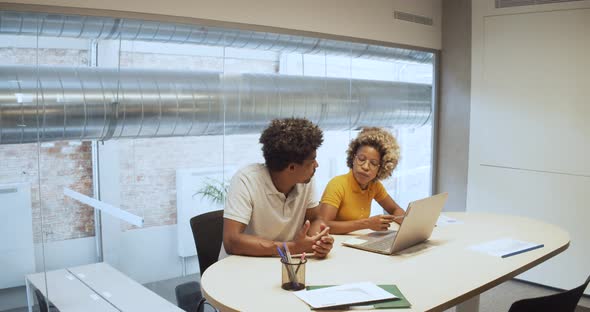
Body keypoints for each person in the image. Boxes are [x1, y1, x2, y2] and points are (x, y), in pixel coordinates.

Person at [223, 118, 334, 258]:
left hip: (285, 263)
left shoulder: (305, 179)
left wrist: (316, 241)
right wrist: (293, 248)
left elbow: (315, 219)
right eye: (312, 161)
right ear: (291, 167)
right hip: (242, 267)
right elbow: (231, 241)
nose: (316, 165)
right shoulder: (246, 180)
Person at [316, 127, 406, 234]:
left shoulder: (374, 186)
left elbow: (395, 210)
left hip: (355, 243)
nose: (365, 167)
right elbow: (323, 225)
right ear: (353, 158)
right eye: (361, 159)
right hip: (334, 245)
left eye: (373, 163)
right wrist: (367, 223)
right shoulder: (337, 184)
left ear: (381, 168)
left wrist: (409, 225)